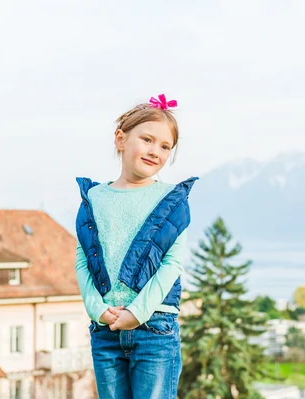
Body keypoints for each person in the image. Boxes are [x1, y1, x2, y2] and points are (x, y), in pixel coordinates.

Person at [75, 94, 198, 399]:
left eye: (165, 146)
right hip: (106, 327)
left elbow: (172, 264)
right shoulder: (94, 198)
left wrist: (138, 312)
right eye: (147, 139)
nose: (155, 151)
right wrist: (97, 308)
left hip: (155, 326)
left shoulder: (172, 202)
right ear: (120, 140)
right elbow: (82, 260)